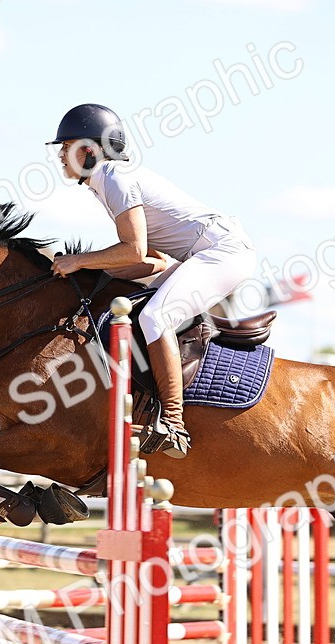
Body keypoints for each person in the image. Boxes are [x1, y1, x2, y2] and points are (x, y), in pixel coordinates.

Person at [48, 103, 256, 458]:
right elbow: (153, 260)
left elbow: (133, 249)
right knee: (132, 306)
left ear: (87, 150)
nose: (61, 158)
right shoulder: (105, 181)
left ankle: (174, 422)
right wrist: (88, 273)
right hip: (202, 254)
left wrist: (78, 261)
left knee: (154, 316)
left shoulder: (114, 178)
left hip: (222, 252)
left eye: (65, 148)